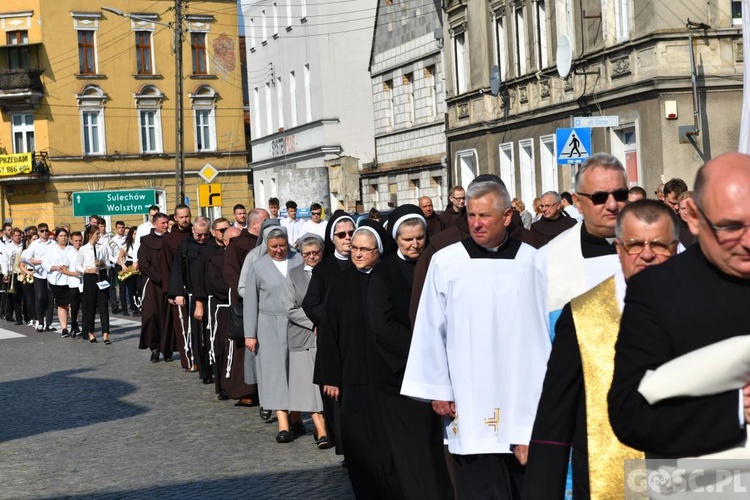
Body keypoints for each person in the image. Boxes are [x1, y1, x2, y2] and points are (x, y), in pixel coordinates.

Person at [402, 180, 549, 499]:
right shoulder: (446, 261)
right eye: (471, 215)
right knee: (478, 486)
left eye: (485, 216)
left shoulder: (535, 260)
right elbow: (430, 326)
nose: (476, 223)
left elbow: (548, 329)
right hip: (467, 396)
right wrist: (438, 388)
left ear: (507, 216)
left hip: (521, 396)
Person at [524, 200, 679, 499]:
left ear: (675, 248)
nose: (646, 254)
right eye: (635, 244)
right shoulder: (583, 315)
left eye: (658, 244)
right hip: (606, 478)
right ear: (619, 249)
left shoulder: (709, 307)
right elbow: (555, 417)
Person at [609, 152, 750, 458]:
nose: (748, 240)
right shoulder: (657, 291)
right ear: (695, 219)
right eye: (730, 227)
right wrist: (736, 407)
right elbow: (629, 414)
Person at [369, 205, 453, 500]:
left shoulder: (437, 264)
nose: (415, 244)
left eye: (419, 238)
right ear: (396, 239)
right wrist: (422, 347)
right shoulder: (384, 272)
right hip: (401, 376)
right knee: (415, 450)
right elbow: (381, 325)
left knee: (441, 446)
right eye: (407, 240)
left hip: (440, 372)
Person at [315, 221, 404, 498]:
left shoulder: (392, 278)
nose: (357, 253)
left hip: (388, 374)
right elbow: (329, 330)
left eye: (364, 249)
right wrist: (330, 374)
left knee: (390, 440)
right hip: (352, 374)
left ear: (379, 250)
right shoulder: (341, 282)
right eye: (354, 247)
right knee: (359, 442)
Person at [519, 153, 627, 345]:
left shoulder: (662, 247)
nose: (612, 205)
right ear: (577, 201)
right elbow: (533, 343)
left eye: (620, 195)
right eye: (599, 197)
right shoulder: (548, 261)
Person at [301, 210, 356, 451]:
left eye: (351, 233)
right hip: (333, 342)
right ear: (332, 238)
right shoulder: (324, 269)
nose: (347, 238)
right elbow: (310, 304)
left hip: (360, 344)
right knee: (336, 400)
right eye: (341, 234)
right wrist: (337, 315)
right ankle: (345, 447)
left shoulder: (367, 262)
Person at [244, 227, 303, 443]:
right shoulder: (258, 267)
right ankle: (283, 423)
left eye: (282, 246)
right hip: (268, 323)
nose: (278, 250)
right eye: (273, 247)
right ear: (266, 247)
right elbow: (251, 301)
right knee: (276, 372)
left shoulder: (298, 259)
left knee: (297, 370)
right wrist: (250, 334)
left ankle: (296, 415)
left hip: (297, 322)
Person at [281, 233, 330, 449]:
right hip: (303, 334)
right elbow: (289, 307)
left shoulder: (330, 271)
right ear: (301, 255)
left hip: (329, 333)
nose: (311, 257)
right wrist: (314, 323)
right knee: (309, 386)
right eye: (307, 253)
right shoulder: (293, 275)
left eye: (315, 253)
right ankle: (320, 429)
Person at [168, 217, 212, 379]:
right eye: (199, 235)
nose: (202, 238)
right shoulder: (185, 245)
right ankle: (196, 361)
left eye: (205, 235)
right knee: (194, 331)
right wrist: (177, 292)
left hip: (212, 296)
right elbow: (177, 269)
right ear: (193, 231)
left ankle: (211, 362)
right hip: (192, 294)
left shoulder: (212, 244)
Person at [138, 213, 171, 362]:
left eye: (167, 223)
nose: (165, 225)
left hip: (169, 283)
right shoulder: (146, 241)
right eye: (163, 223)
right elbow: (144, 263)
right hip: (152, 283)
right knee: (151, 316)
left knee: (168, 316)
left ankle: (168, 348)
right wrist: (158, 277)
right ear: (155, 224)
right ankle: (154, 347)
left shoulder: (170, 239)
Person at [164, 204, 193, 369]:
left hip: (196, 286)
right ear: (175, 218)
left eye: (187, 216)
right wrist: (171, 292)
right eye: (181, 217)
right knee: (183, 326)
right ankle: (188, 359)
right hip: (178, 288)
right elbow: (166, 267)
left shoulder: (197, 234)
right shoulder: (169, 240)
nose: (185, 220)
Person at [76, 225, 111, 344]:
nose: (99, 236)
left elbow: (108, 264)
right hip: (89, 277)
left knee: (103, 306)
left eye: (99, 234)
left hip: (101, 276)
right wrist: (87, 270)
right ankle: (90, 333)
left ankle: (106, 334)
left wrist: (102, 263)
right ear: (90, 235)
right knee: (90, 306)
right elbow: (78, 266)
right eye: (97, 234)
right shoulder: (83, 249)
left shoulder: (102, 247)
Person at [43, 227, 72, 338]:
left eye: (65, 236)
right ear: (56, 237)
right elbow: (45, 263)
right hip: (57, 280)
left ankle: (75, 325)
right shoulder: (51, 250)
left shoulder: (71, 249)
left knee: (73, 304)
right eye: (61, 236)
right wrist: (54, 267)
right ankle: (64, 328)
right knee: (62, 304)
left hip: (71, 280)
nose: (64, 238)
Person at [26, 222, 55, 331]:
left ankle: (49, 323)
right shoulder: (35, 244)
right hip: (39, 273)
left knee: (50, 298)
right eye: (42, 231)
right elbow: (28, 259)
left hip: (51, 274)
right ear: (38, 232)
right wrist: (40, 261)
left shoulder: (53, 243)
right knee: (39, 297)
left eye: (46, 231)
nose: (44, 233)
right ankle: (40, 321)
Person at [117, 227, 140, 317]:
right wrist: (123, 265)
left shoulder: (141, 243)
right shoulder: (127, 245)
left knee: (139, 287)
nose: (136, 236)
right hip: (130, 264)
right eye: (134, 234)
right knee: (131, 288)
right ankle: (134, 308)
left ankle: (139, 306)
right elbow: (120, 256)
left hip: (139, 264)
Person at [131, 205, 160, 272]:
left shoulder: (162, 226)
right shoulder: (142, 228)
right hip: (146, 257)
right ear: (149, 215)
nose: (153, 217)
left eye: (156, 215)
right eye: (152, 215)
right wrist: (135, 261)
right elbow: (137, 244)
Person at [65, 231, 84, 337]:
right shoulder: (68, 252)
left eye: (80, 241)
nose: (78, 243)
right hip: (73, 282)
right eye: (76, 241)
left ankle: (85, 327)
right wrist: (73, 273)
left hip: (85, 283)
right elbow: (63, 268)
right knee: (74, 306)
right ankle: (73, 325)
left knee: (85, 306)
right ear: (71, 241)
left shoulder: (85, 250)